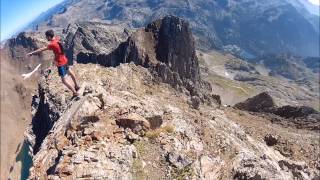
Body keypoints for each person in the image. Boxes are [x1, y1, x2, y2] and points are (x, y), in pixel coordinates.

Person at [27, 30, 80, 97]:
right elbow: (58, 40)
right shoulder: (57, 39)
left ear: (49, 36)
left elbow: (41, 49)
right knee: (70, 72)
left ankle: (75, 92)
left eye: (46, 37)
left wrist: (32, 53)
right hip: (65, 59)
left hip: (60, 63)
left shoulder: (52, 44)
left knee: (64, 80)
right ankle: (77, 86)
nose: (46, 38)